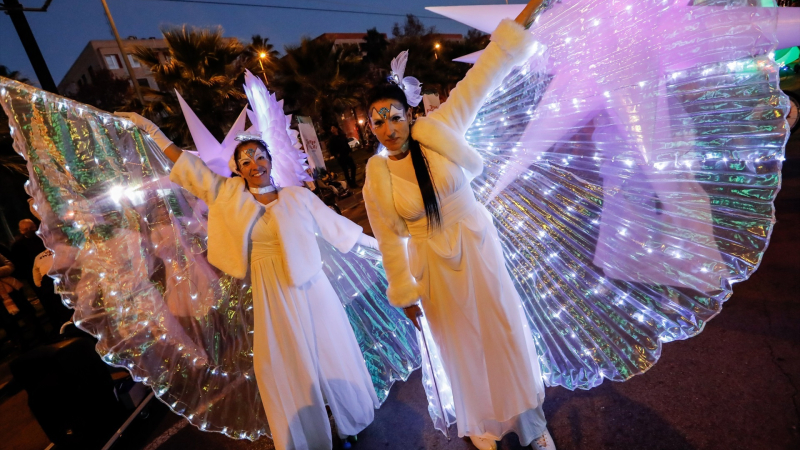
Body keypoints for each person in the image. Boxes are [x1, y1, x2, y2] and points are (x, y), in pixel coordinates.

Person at [117, 110, 380, 450]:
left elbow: (342, 231)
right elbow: (191, 170)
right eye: (246, 160)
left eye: (259, 157)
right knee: (285, 363)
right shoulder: (230, 198)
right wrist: (152, 130)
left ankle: (350, 420)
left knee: (332, 350)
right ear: (238, 169)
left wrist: (391, 249)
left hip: (314, 289)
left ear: (270, 160)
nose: (255, 164)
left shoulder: (298, 197)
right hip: (271, 292)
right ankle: (309, 438)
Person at [362, 1, 555, 449]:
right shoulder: (377, 177)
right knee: (461, 346)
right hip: (431, 265)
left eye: (393, 115)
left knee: (502, 330)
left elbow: (481, 79)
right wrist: (404, 292)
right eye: (377, 121)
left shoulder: (440, 130)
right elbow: (389, 238)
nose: (388, 127)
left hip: (475, 246)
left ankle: (531, 424)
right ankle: (483, 424)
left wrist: (518, 26)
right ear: (370, 128)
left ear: (407, 113)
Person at [1, 252, 47, 349]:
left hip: (11, 289)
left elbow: (10, 265)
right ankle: (22, 347)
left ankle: (43, 339)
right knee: (8, 322)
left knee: (28, 314)